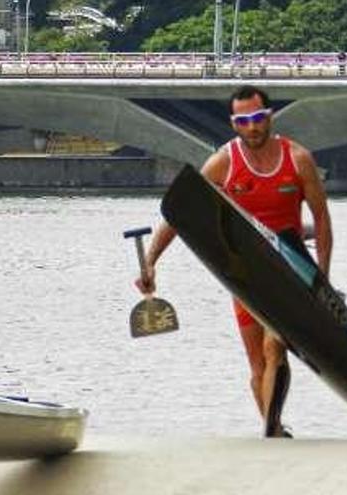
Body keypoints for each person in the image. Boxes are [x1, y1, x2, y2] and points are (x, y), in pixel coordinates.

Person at [137, 85, 333, 438]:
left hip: (289, 268)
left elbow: (321, 220)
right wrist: (151, 261)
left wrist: (322, 278)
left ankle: (271, 429)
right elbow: (179, 214)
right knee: (256, 361)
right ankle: (273, 431)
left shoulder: (298, 159)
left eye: (258, 118)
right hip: (244, 274)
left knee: (275, 344)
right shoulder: (223, 163)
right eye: (244, 121)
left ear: (270, 116)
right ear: (234, 124)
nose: (253, 127)